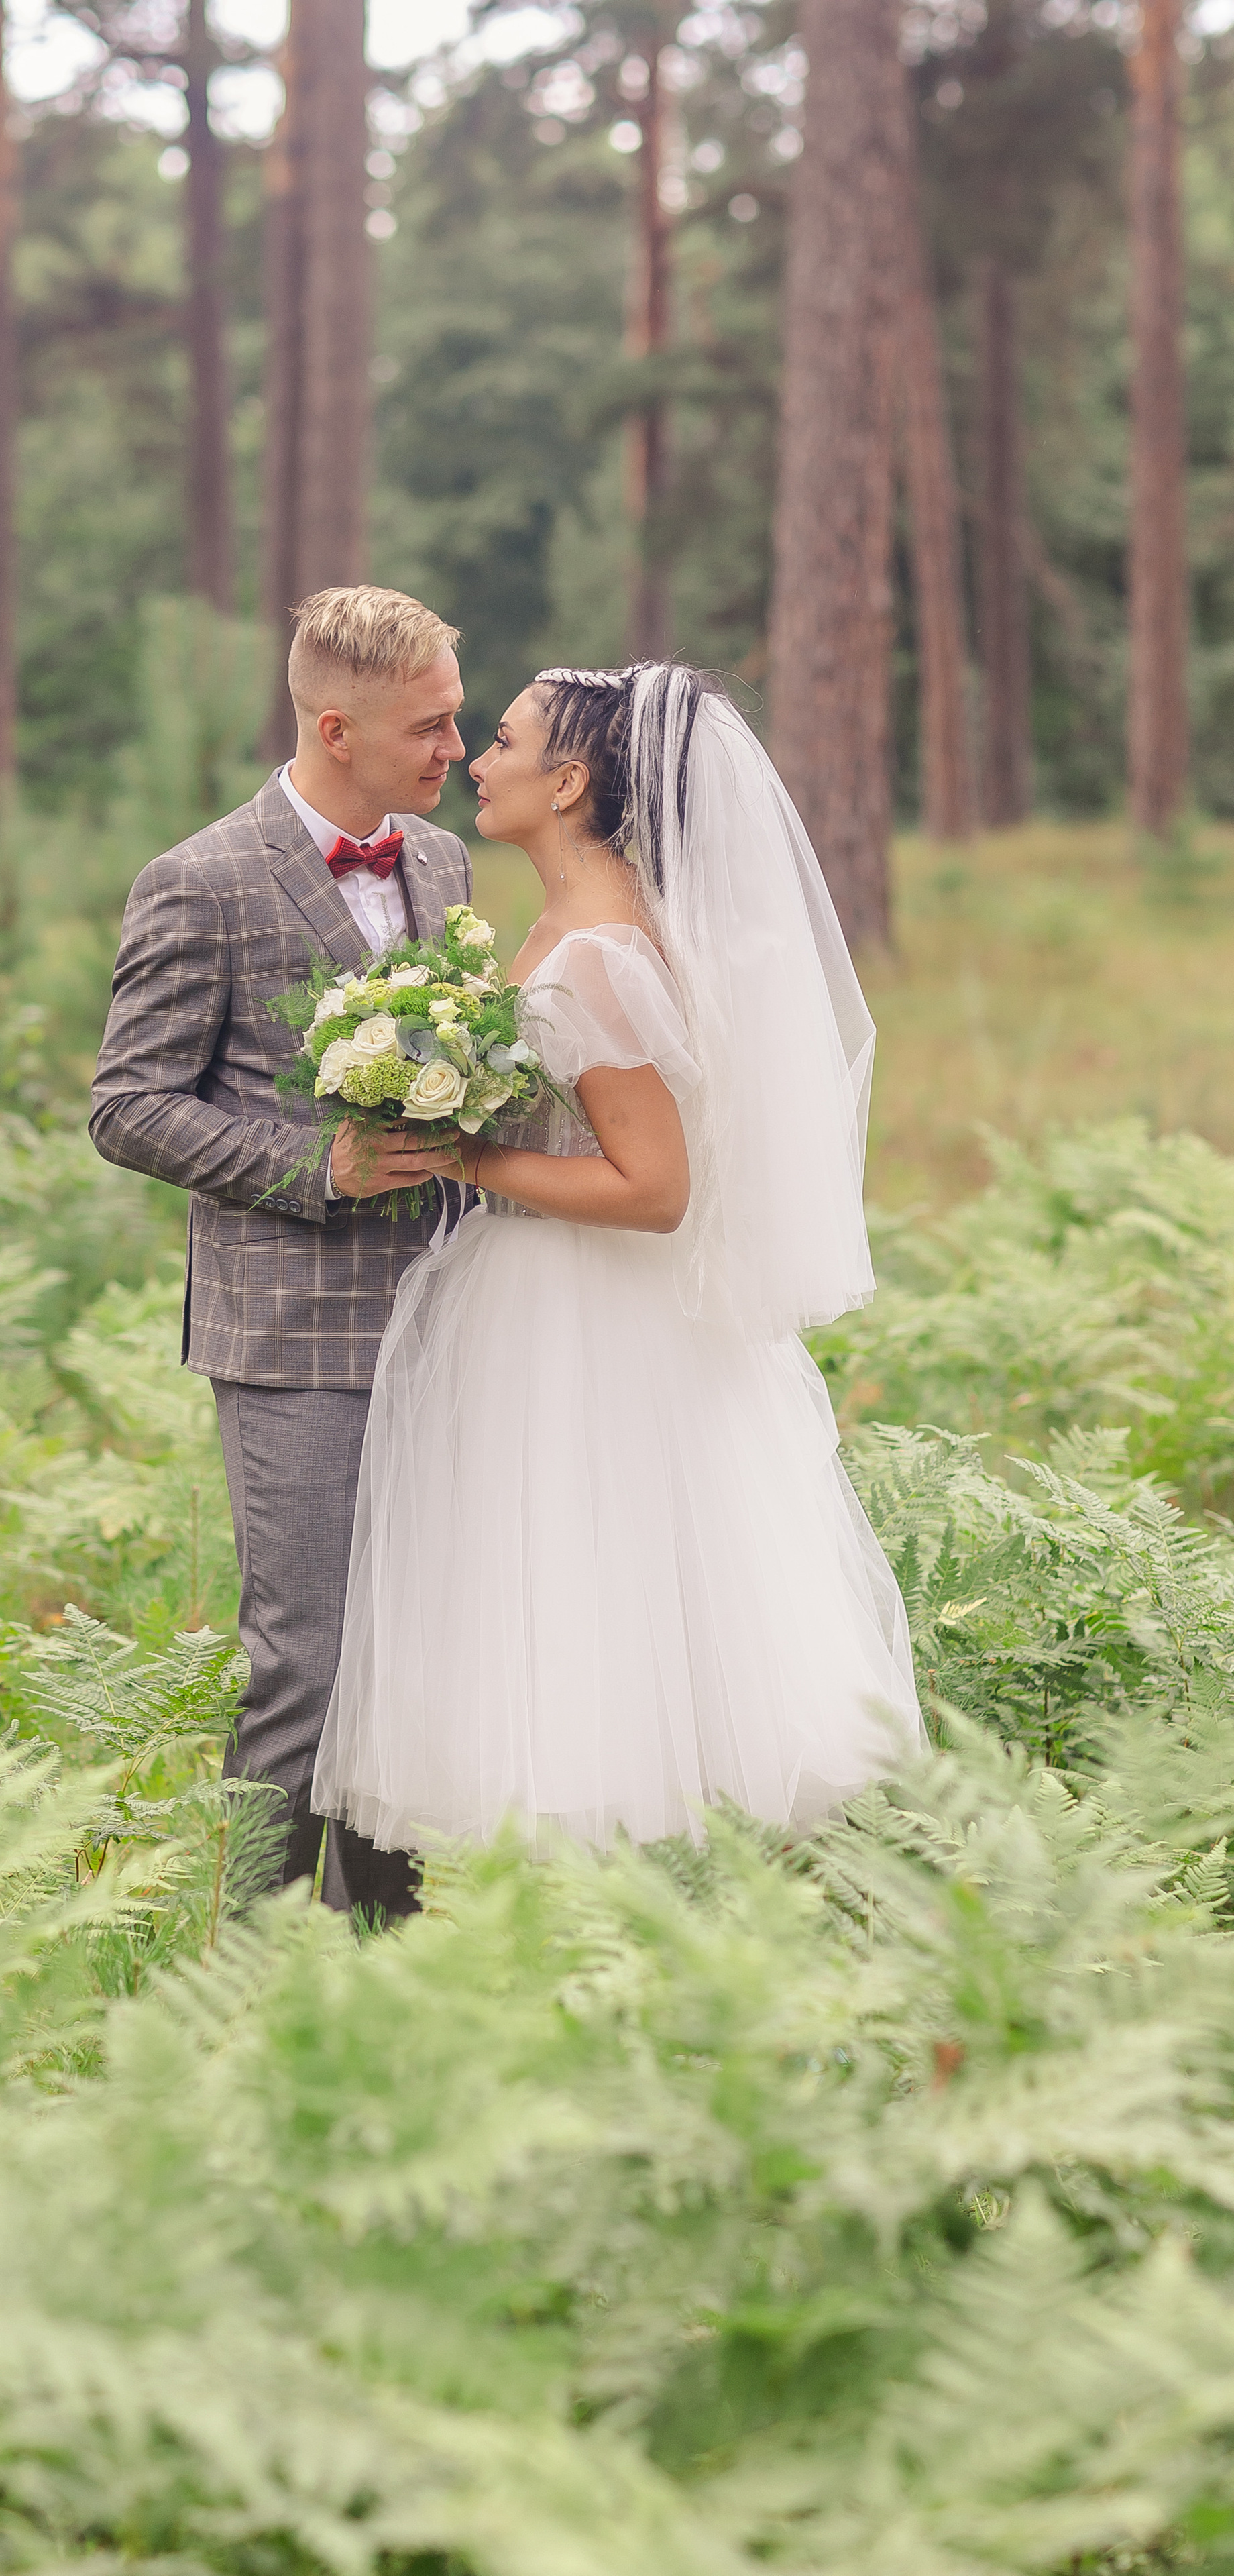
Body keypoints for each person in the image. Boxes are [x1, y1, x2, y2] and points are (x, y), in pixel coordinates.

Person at [313, 661, 922, 1856]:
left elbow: (654, 1190)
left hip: (583, 1315)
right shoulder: (567, 925)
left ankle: (601, 1907)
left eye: (500, 742)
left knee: (581, 1588)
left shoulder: (598, 955)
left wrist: (462, 1160)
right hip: (540, 1293)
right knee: (556, 1595)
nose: (475, 763)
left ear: (572, 779)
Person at [89, 585, 473, 1922]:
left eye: (457, 722)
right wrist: (319, 1168)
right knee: (307, 1666)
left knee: (406, 1661)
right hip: (290, 1338)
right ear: (333, 725)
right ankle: (239, 1968)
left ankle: (381, 1952)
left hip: (441, 1322)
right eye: (428, 727)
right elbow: (126, 1104)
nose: (453, 753)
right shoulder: (196, 881)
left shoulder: (440, 864)